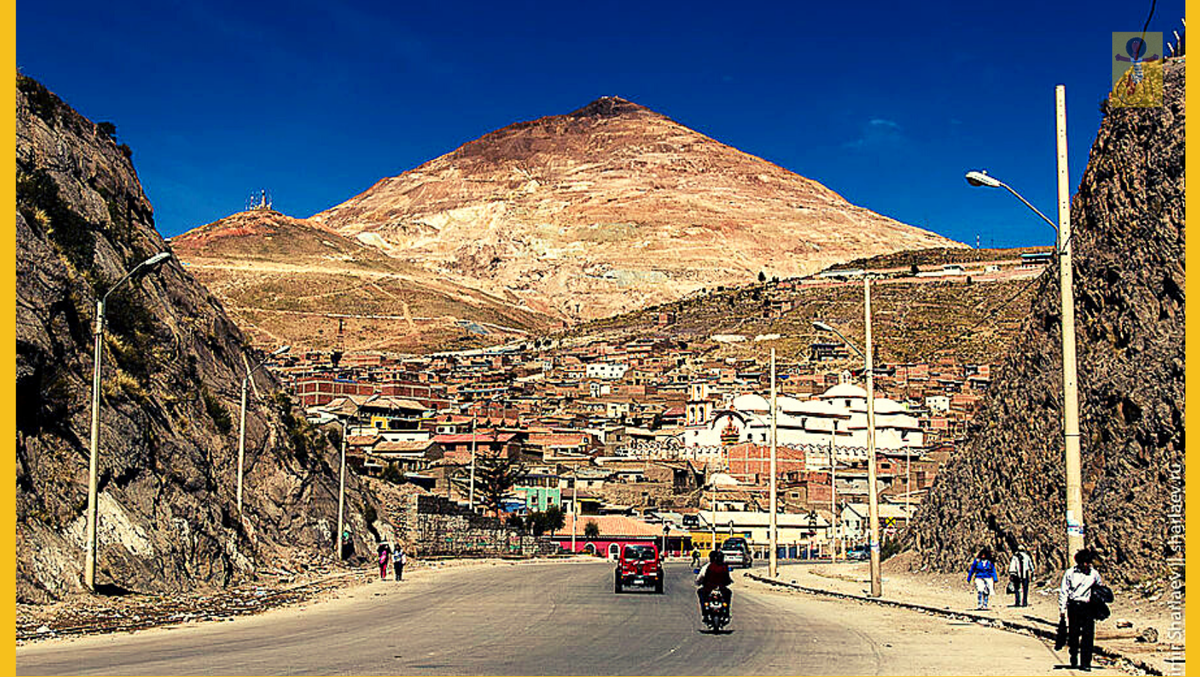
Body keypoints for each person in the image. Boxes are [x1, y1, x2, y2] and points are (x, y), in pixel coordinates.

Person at [1059, 549, 1102, 671]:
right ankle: (1073, 655)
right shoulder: (1070, 573)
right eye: (1085, 562)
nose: (1087, 565)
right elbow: (1064, 592)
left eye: (1089, 562)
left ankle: (1085, 663)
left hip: (1088, 607)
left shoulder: (1094, 574)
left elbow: (1099, 587)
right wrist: (1062, 610)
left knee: (1088, 635)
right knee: (1074, 634)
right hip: (1073, 607)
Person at [695, 549, 733, 620]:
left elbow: (703, 577)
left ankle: (705, 612)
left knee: (701, 593)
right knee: (728, 595)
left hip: (709, 588)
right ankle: (727, 613)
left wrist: (699, 583)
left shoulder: (709, 566)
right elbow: (727, 578)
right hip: (721, 588)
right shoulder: (725, 567)